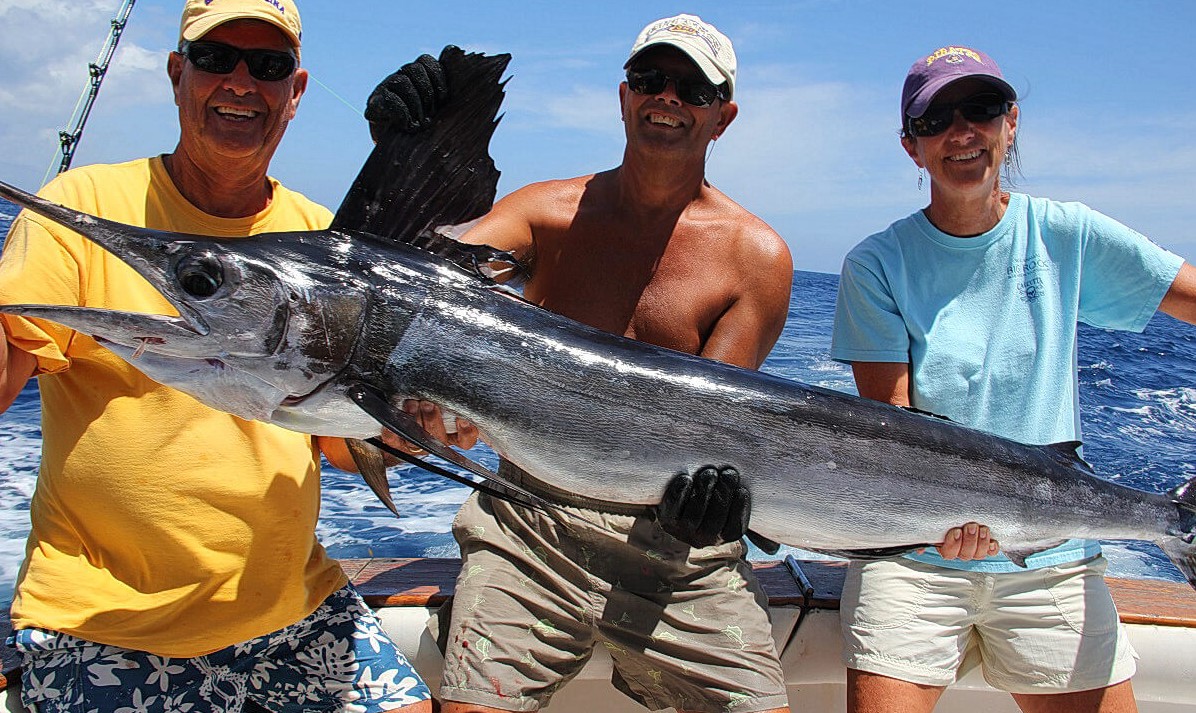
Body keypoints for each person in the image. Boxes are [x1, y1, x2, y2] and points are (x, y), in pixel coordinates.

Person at [0, 1, 461, 711]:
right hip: (102, 619)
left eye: (268, 66)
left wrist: (416, 426)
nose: (241, 82)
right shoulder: (81, 204)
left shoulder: (321, 237)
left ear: (295, 92)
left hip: (291, 609)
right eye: (217, 60)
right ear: (178, 74)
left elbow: (344, 444)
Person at [367, 13, 794, 713]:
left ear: (724, 116)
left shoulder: (756, 257)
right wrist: (402, 157)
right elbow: (420, 285)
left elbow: (714, 431)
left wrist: (711, 502)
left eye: (693, 88)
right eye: (650, 80)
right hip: (529, 528)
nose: (667, 98)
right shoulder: (543, 215)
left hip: (678, 556)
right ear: (623, 96)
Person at [830, 44, 1196, 713]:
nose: (962, 130)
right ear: (912, 147)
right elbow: (896, 427)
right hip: (915, 558)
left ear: (1012, 122)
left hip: (1052, 562)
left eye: (982, 108)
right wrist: (942, 520)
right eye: (937, 118)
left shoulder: (1066, 234)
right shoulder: (876, 265)